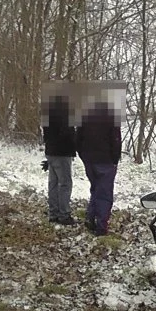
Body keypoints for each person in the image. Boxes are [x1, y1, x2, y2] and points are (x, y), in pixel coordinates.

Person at [76, 100, 122, 236]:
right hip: (106, 161)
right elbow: (116, 140)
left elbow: (78, 138)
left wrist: (83, 156)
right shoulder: (112, 117)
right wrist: (115, 159)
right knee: (105, 194)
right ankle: (101, 226)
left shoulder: (84, 116)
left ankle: (90, 218)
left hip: (89, 160)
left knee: (95, 189)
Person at [42, 95, 77, 225]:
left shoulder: (48, 113)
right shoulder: (65, 115)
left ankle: (53, 213)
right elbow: (67, 134)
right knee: (65, 184)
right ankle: (64, 215)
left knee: (53, 183)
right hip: (62, 153)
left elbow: (46, 134)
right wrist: (75, 145)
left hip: (51, 152)